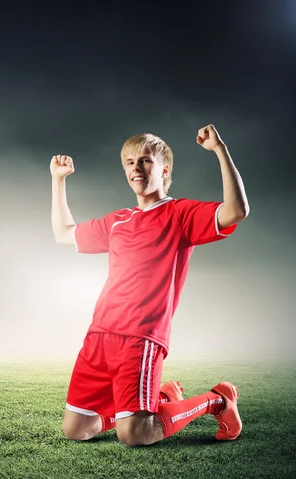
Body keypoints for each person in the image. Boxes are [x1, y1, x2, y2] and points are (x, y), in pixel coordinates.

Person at [50, 124, 249, 446]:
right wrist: (58, 181)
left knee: (134, 436)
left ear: (164, 169)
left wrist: (220, 150)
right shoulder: (117, 221)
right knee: (77, 430)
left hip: (140, 337)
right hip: (100, 334)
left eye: (145, 161)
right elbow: (63, 234)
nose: (135, 168)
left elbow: (236, 211)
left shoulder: (180, 213)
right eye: (129, 162)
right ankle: (160, 397)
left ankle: (218, 400)